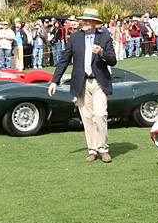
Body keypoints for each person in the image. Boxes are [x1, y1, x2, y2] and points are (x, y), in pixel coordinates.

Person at [48, 8, 117, 163]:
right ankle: (92, 150)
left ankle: (103, 149)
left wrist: (101, 54)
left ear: (94, 23)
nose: (84, 23)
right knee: (87, 118)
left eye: (87, 20)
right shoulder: (74, 38)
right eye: (83, 20)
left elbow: (113, 60)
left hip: (99, 82)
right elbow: (64, 60)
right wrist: (55, 81)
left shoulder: (105, 38)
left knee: (100, 115)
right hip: (81, 83)